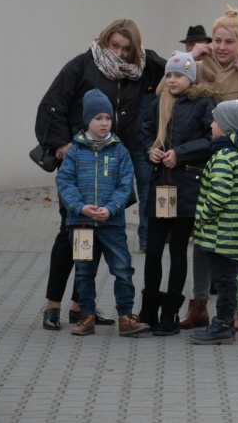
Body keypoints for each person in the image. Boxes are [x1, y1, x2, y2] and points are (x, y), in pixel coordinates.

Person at [35, 19, 164, 331]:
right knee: (70, 236)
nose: (119, 53)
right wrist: (61, 144)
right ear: (104, 41)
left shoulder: (139, 71)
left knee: (95, 240)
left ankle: (82, 309)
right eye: (114, 45)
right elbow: (52, 105)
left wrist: (154, 54)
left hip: (113, 165)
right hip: (79, 164)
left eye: (127, 49)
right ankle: (53, 305)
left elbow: (169, 71)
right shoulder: (82, 65)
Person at [176, 8, 238, 332]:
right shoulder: (200, 67)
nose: (222, 47)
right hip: (202, 161)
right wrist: (190, 57)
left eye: (229, 42)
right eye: (217, 40)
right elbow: (168, 90)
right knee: (202, 234)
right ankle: (198, 305)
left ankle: (233, 308)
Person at [55, 89, 152, 337]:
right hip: (81, 223)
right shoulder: (74, 151)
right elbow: (65, 183)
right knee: (84, 270)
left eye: (108, 118)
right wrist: (81, 207)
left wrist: (110, 209)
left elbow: (125, 185)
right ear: (88, 120)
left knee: (123, 269)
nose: (104, 123)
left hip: (112, 223)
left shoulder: (120, 151)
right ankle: (86, 315)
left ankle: (126, 316)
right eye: (98, 118)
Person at [136, 52, 217, 336]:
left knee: (178, 251)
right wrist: (151, 151)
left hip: (186, 187)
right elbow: (145, 133)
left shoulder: (203, 103)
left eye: (179, 75)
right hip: (161, 187)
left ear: (190, 78)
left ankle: (170, 312)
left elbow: (211, 139)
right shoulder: (159, 102)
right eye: (169, 75)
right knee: (153, 250)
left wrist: (180, 154)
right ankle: (148, 309)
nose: (172, 80)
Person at [189, 98, 238, 344]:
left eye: (215, 121)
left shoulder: (224, 157)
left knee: (223, 282)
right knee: (229, 279)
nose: (211, 125)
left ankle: (222, 324)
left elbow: (219, 195)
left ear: (228, 127)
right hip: (236, 232)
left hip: (221, 234)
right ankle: (226, 322)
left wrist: (202, 217)